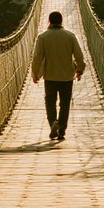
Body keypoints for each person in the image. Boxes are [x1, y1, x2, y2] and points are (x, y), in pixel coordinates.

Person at [32, 10, 85, 141]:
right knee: (65, 103)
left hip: (50, 76)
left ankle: (53, 123)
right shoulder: (70, 36)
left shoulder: (43, 37)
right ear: (62, 21)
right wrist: (79, 70)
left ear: (49, 21)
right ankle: (61, 128)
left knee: (50, 102)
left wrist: (35, 73)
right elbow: (79, 55)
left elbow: (37, 57)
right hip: (67, 76)